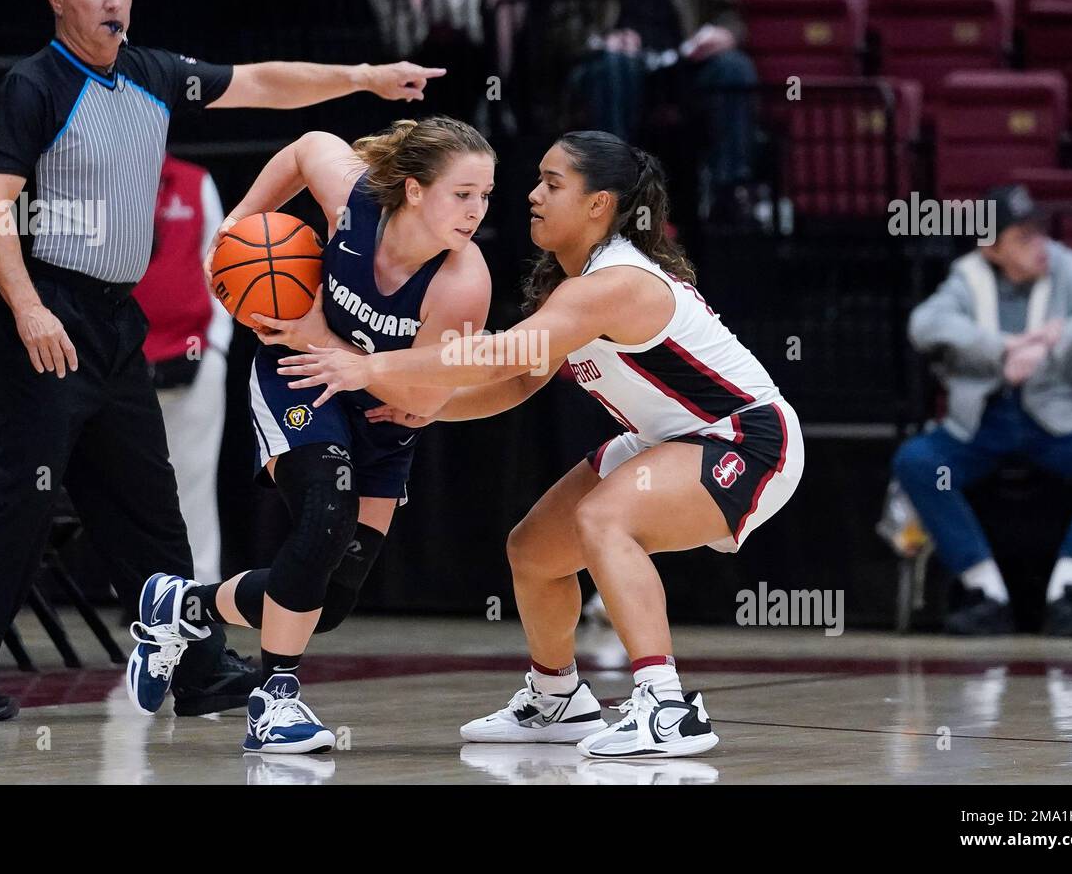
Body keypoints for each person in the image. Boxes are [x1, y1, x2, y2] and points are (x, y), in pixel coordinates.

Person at [0, 0, 446, 722]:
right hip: (47, 307)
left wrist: (362, 77)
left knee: (150, 502)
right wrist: (27, 307)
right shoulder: (34, 86)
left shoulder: (154, 73)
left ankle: (195, 670)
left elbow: (262, 82)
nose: (113, 2)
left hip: (118, 319)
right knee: (23, 497)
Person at [281, 131, 804, 759]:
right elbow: (522, 379)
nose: (531, 195)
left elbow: (504, 353)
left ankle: (667, 708)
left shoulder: (613, 284)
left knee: (603, 518)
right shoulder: (574, 282)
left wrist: (372, 368)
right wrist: (431, 410)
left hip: (746, 439)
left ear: (598, 204)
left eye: (552, 184)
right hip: (667, 439)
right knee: (533, 551)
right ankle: (556, 698)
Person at [126, 117, 494, 754]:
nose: (476, 211)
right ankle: (274, 701)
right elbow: (303, 150)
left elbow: (423, 401)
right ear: (412, 190)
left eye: (485, 195)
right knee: (326, 517)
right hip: (297, 378)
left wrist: (329, 341)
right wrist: (234, 223)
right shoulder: (353, 200)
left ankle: (184, 606)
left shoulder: (463, 284)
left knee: (331, 601)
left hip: (382, 414)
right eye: (462, 194)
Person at [893, 184, 1072, 636]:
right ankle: (986, 592)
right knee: (917, 461)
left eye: (1040, 232)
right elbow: (924, 324)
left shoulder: (1067, 268)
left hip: (1057, 418)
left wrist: (1056, 337)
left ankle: (1069, 592)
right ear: (991, 247)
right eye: (1023, 238)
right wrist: (1001, 347)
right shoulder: (967, 276)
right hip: (983, 421)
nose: (1039, 245)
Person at [553, 0, 757, 208]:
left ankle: (732, 189)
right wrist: (603, 41)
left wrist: (725, 34)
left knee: (733, 68)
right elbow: (560, 28)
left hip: (681, 65)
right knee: (615, 68)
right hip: (613, 67)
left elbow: (729, 15)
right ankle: (616, 187)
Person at [132, 154, 231, 584]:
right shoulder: (96, 184)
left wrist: (217, 348)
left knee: (193, 479)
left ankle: (200, 591)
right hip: (121, 362)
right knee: (130, 484)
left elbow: (221, 263)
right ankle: (144, 587)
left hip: (192, 355)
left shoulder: (195, 181)